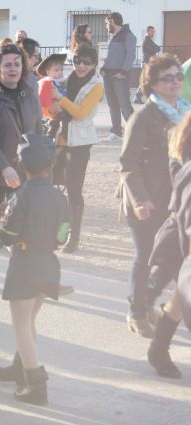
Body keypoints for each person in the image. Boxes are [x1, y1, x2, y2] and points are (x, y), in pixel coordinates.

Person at [0, 134, 69, 406]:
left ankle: (35, 384)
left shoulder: (19, 196)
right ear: (50, 165)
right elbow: (63, 235)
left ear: (22, 165)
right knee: (30, 320)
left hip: (25, 264)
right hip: (48, 263)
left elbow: (7, 236)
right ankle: (19, 366)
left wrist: (6, 216)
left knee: (21, 326)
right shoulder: (60, 196)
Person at [119, 53, 188, 338]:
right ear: (153, 83)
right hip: (145, 199)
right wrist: (140, 199)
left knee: (174, 258)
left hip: (176, 199)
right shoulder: (143, 116)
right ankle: (136, 312)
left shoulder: (185, 111)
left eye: (177, 77)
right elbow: (127, 162)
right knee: (145, 256)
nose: (174, 83)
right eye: (167, 78)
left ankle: (149, 304)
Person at [0, 43, 42, 294]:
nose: (13, 69)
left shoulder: (30, 95)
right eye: (7, 64)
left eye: (17, 63)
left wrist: (41, 166)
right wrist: (3, 167)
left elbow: (38, 132)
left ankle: (22, 273)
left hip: (25, 171)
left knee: (23, 223)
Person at [146, 111, 191, 380]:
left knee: (180, 295)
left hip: (182, 232)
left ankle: (158, 348)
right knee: (180, 290)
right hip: (181, 233)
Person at [51, 46, 104, 254]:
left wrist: (60, 100)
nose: (81, 65)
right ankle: (56, 231)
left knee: (73, 191)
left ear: (94, 64)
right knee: (54, 188)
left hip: (80, 144)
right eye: (77, 61)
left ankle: (74, 236)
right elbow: (53, 108)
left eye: (87, 62)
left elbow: (81, 113)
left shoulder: (97, 85)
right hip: (59, 140)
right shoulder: (64, 81)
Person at [101, 12, 136, 142]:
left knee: (125, 105)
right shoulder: (113, 36)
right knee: (113, 105)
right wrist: (104, 68)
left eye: (106, 23)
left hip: (120, 76)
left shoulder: (128, 35)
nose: (106, 26)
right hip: (108, 75)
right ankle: (116, 132)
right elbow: (112, 57)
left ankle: (136, 131)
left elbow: (131, 55)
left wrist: (123, 72)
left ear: (112, 21)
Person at [37, 53, 68, 131]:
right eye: (56, 70)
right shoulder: (47, 82)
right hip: (53, 113)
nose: (60, 72)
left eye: (61, 69)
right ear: (48, 72)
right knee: (54, 129)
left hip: (65, 108)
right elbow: (43, 99)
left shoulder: (65, 81)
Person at [134, 26, 160, 104]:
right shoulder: (147, 41)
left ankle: (139, 97)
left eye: (154, 32)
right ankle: (137, 97)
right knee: (146, 81)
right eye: (152, 32)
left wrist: (156, 48)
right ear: (147, 31)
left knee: (148, 81)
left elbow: (157, 48)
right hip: (146, 63)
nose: (153, 33)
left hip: (148, 63)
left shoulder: (149, 41)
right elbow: (156, 49)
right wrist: (156, 48)